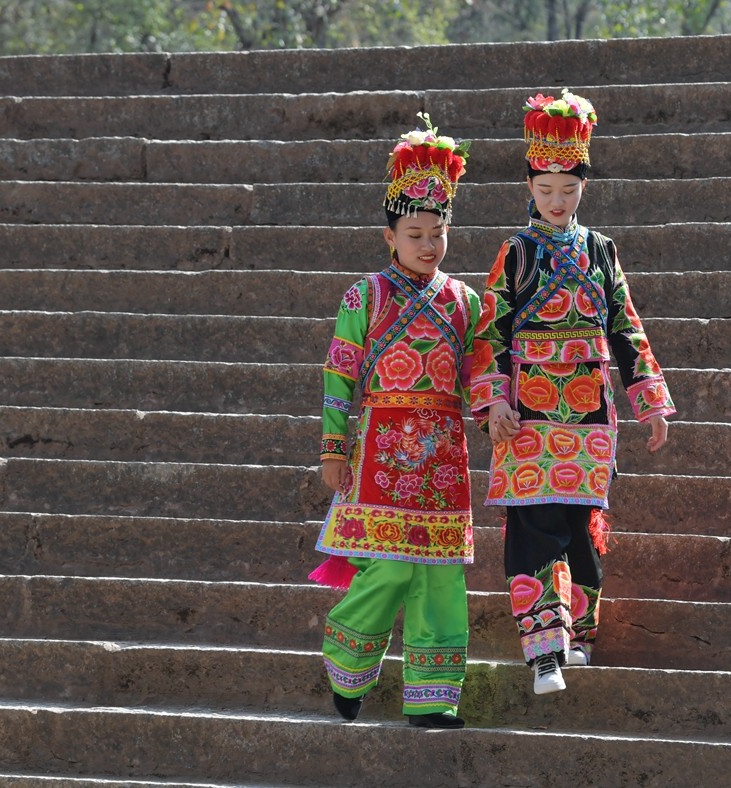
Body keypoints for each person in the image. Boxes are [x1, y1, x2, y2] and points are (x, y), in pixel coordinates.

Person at [470, 89, 677, 695]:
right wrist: (494, 400)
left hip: (588, 412)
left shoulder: (601, 251)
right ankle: (543, 651)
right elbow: (490, 330)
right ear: (528, 185)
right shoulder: (515, 252)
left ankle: (577, 636)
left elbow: (625, 326)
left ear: (584, 184)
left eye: (568, 190)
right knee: (534, 527)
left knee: (581, 528)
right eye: (545, 190)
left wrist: (650, 401)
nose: (557, 202)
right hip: (527, 414)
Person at [308, 113, 479, 728]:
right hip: (380, 447)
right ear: (390, 237)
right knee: (391, 567)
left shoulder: (466, 300)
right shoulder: (364, 298)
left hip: (444, 455)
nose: (427, 245)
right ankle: (346, 662)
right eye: (414, 233)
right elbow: (339, 375)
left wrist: (496, 412)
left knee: (440, 576)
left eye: (437, 232)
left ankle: (435, 699)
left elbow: (481, 371)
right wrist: (333, 448)